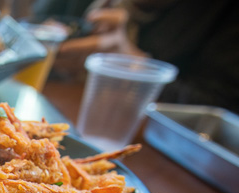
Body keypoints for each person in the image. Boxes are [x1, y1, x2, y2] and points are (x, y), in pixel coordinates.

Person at [32, 0, 239, 114]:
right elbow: (26, 25)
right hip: (47, 108)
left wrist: (138, 69)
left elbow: (222, 107)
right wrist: (36, 42)